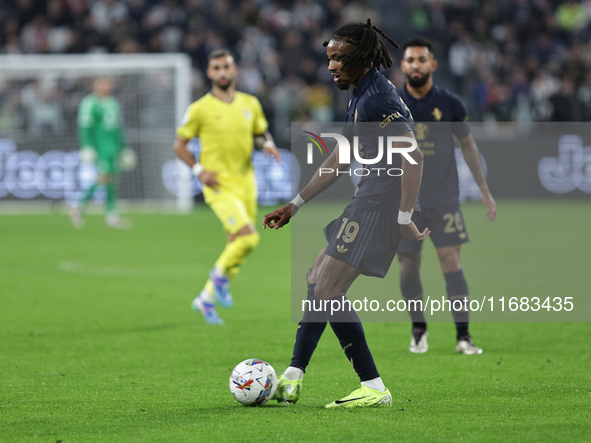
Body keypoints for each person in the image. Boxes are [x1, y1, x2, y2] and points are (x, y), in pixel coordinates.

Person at [263, 20, 428, 408]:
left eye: (339, 58)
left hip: (380, 205)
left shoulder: (378, 98)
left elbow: (413, 155)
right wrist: (296, 204)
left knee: (328, 289)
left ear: (360, 57)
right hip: (368, 199)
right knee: (316, 279)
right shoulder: (360, 93)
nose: (331, 66)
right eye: (329, 58)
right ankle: (293, 376)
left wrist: (404, 217)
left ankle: (372, 387)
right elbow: (341, 157)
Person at [397, 37, 497, 355]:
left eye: (421, 60)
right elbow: (377, 150)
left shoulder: (451, 103)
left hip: (444, 197)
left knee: (450, 261)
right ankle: (418, 329)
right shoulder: (391, 103)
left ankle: (463, 336)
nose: (416, 65)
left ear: (433, 64)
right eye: (410, 60)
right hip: (405, 201)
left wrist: (483, 189)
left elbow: (468, 146)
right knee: (407, 267)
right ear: (403, 66)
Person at [174, 49, 281, 325]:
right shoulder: (199, 109)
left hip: (246, 183)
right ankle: (218, 278)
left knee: (236, 245)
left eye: (226, 67)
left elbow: (259, 133)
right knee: (249, 238)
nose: (222, 72)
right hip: (219, 184)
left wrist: (267, 144)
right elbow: (179, 145)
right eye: (216, 68)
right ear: (209, 73)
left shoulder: (250, 103)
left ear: (234, 71)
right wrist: (199, 170)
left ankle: (206, 298)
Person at [69, 77, 132, 229]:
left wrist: (124, 147)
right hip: (99, 148)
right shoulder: (90, 103)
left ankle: (111, 215)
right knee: (102, 177)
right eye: (102, 84)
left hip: (113, 148)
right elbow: (85, 127)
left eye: (108, 84)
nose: (106, 87)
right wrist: (87, 146)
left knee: (112, 179)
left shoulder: (113, 103)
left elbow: (118, 128)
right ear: (95, 86)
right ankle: (78, 206)